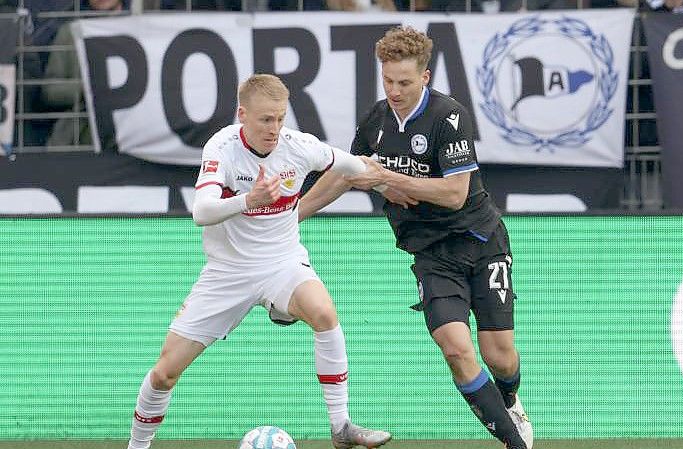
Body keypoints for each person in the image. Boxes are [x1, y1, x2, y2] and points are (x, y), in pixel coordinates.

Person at [126, 74, 392, 449]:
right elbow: (201, 212)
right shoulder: (222, 147)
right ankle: (137, 445)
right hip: (227, 273)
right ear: (242, 115)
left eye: (280, 118)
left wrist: (387, 183)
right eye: (266, 119)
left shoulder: (299, 146)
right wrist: (249, 200)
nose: (275, 128)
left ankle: (341, 426)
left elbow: (354, 166)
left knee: (325, 313)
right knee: (165, 372)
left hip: (281, 262)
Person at [299, 26, 534, 449]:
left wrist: (388, 178)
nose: (394, 89)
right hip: (431, 254)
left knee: (499, 355)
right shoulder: (375, 121)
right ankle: (514, 443)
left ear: (425, 77)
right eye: (387, 80)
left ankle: (511, 399)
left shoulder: (449, 117)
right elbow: (345, 174)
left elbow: (454, 193)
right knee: (456, 349)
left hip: (481, 241)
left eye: (404, 82)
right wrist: (294, 215)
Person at [41, 0, 128, 148]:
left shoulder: (138, 29)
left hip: (127, 136)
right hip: (77, 138)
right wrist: (88, 88)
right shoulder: (69, 32)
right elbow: (50, 91)